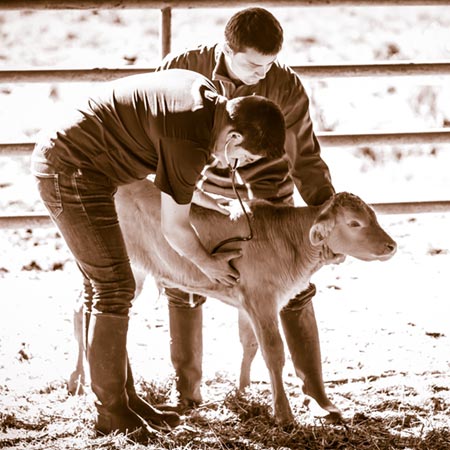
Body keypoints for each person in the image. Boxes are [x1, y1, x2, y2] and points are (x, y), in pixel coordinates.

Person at [31, 68, 286, 439]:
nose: (236, 167)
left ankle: (126, 399)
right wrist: (208, 264)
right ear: (233, 137)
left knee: (104, 285)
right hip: (71, 169)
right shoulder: (191, 140)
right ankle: (111, 412)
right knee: (113, 286)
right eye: (243, 158)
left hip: (82, 161)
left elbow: (170, 169)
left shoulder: (205, 101)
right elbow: (175, 228)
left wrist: (198, 195)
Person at [157, 7, 341, 421]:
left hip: (267, 186)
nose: (263, 72)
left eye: (270, 63)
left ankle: (314, 391)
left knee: (291, 278)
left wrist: (323, 216)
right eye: (254, 64)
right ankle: (189, 392)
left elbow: (305, 157)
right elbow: (158, 135)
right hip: (198, 180)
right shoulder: (183, 68)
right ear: (227, 49)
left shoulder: (285, 85)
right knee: (186, 275)